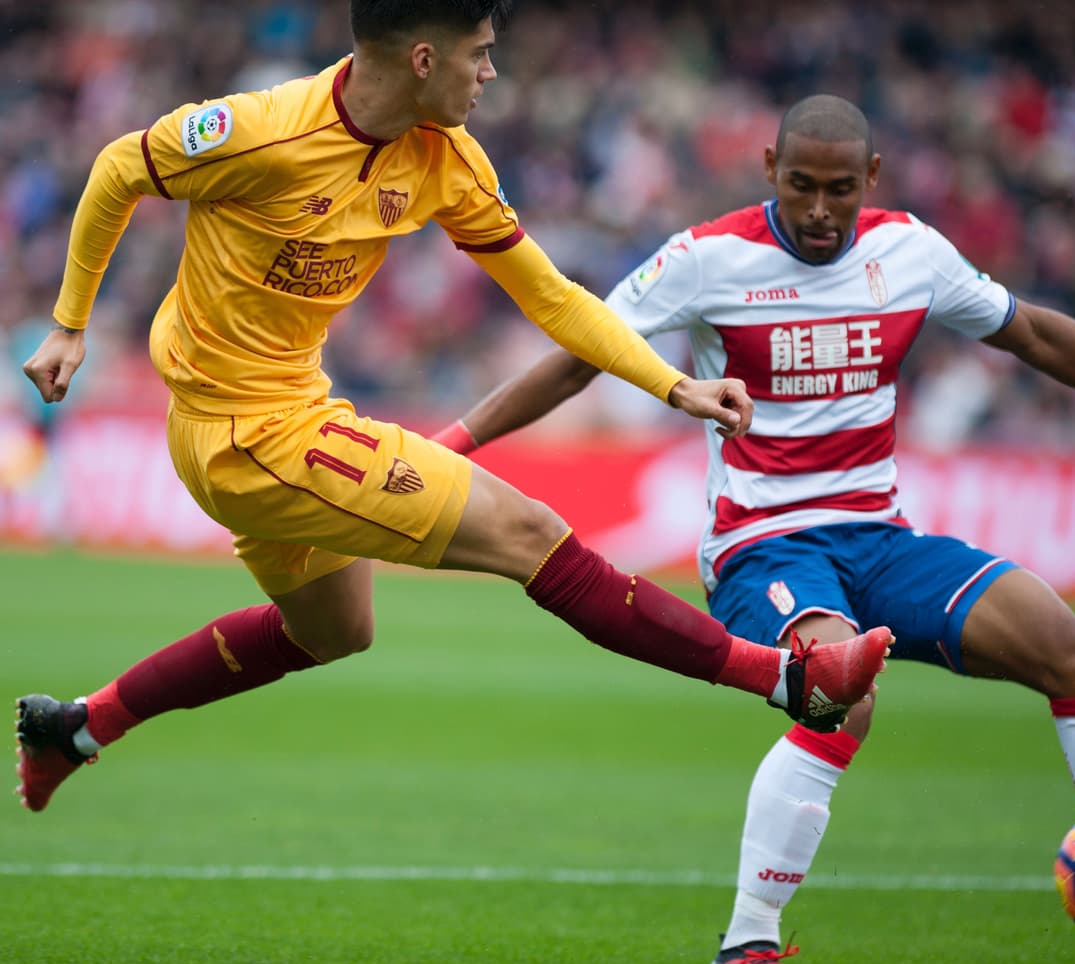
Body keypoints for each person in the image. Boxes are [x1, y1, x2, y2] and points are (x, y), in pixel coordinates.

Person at [431, 94, 1075, 964]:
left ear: (871, 180)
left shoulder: (909, 252)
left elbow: (1029, 332)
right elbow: (580, 348)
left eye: (840, 189)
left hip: (878, 537)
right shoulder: (710, 258)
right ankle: (744, 950)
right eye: (801, 186)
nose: (820, 209)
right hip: (765, 546)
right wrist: (456, 444)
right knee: (845, 691)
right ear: (770, 169)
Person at [15, 5, 898, 829]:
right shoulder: (263, 131)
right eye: (479, 54)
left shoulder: (445, 157)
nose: (492, 74)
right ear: (424, 58)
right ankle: (789, 680)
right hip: (245, 434)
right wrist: (70, 324)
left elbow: (552, 296)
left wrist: (674, 387)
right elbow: (120, 167)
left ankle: (80, 726)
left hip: (293, 407)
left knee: (335, 631)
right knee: (529, 531)